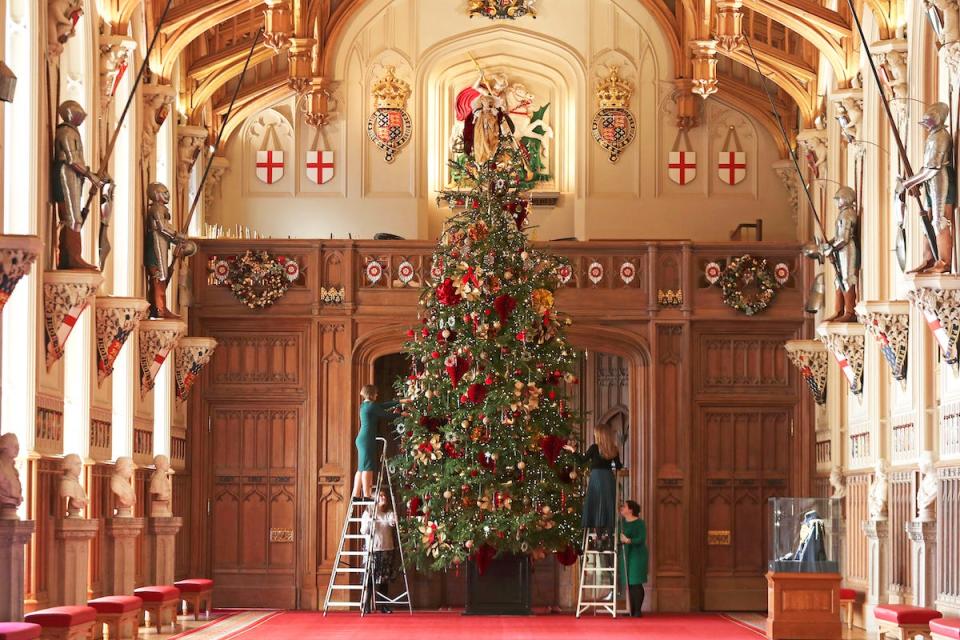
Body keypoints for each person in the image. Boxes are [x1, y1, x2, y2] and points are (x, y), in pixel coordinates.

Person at [566, 423, 624, 547]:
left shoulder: (594, 448)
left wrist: (573, 451)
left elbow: (582, 461)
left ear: (598, 435)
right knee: (608, 506)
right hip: (608, 479)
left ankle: (598, 540)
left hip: (596, 479)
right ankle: (609, 539)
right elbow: (619, 466)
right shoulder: (613, 448)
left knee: (597, 506)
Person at [353, 385, 406, 499]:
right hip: (366, 440)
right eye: (375, 393)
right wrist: (401, 414)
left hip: (363, 439)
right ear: (371, 394)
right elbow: (385, 414)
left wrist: (400, 401)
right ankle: (367, 495)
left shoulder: (365, 405)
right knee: (367, 467)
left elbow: (383, 405)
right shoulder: (371, 406)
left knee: (361, 468)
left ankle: (356, 494)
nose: (377, 395)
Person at [361, 489, 400, 613]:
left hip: (386, 549)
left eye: (384, 495)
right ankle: (366, 605)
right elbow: (363, 531)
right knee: (370, 578)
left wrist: (394, 519)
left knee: (384, 580)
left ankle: (384, 605)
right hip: (372, 550)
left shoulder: (388, 513)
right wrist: (370, 522)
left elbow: (392, 522)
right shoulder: (368, 513)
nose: (384, 498)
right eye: (381, 496)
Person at [619, 500, 648, 617]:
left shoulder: (639, 523)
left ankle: (638, 610)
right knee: (629, 583)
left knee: (636, 582)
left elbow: (641, 538)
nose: (622, 508)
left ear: (630, 510)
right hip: (625, 554)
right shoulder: (620, 523)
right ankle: (631, 609)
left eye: (624, 506)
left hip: (637, 555)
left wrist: (629, 540)